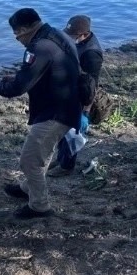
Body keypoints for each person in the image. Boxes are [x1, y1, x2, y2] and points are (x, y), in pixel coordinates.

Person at [0, 8, 81, 219]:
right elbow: (41, 72)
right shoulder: (56, 35)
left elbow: (18, 88)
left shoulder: (38, 48)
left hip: (55, 113)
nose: (17, 40)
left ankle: (40, 206)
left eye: (17, 35)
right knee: (42, 153)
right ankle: (27, 188)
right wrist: (18, 77)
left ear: (24, 29)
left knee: (29, 160)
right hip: (68, 106)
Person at [49, 14, 104, 176]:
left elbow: (92, 84)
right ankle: (61, 159)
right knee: (62, 130)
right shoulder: (79, 42)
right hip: (69, 93)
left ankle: (66, 167)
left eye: (73, 36)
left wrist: (85, 111)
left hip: (82, 97)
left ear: (84, 35)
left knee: (72, 134)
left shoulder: (92, 54)